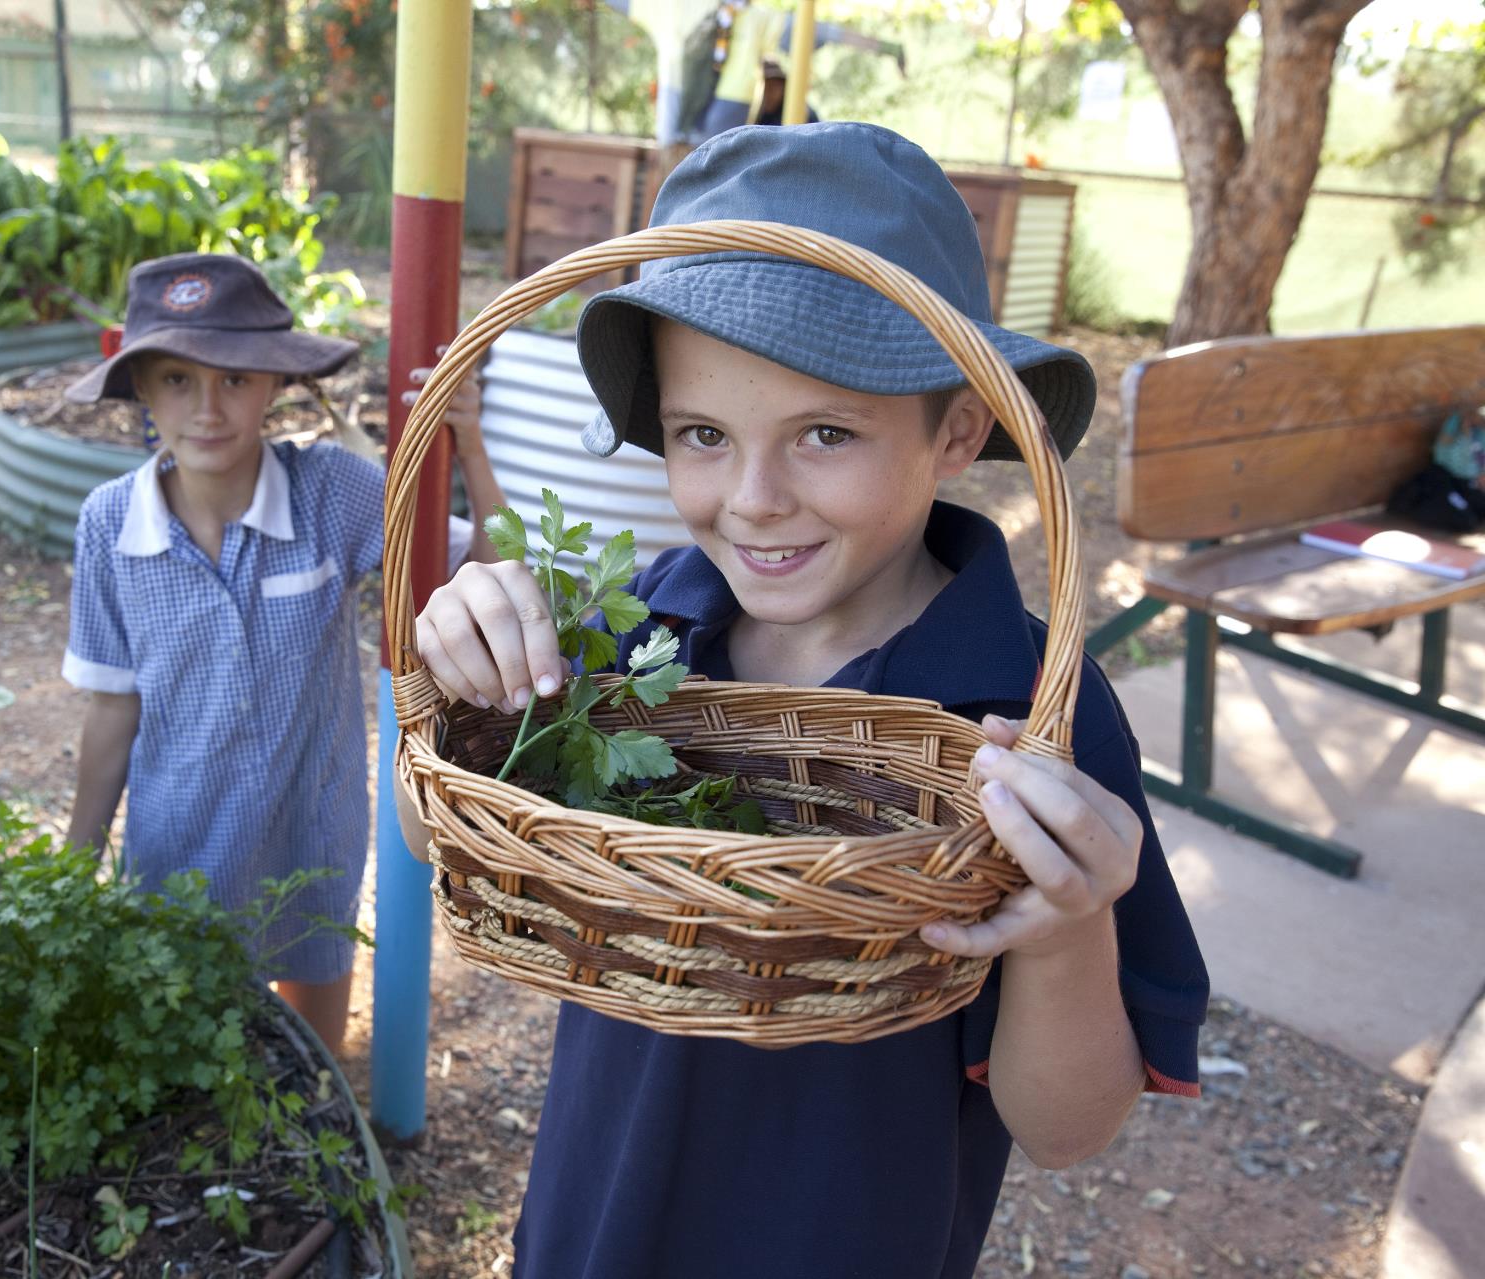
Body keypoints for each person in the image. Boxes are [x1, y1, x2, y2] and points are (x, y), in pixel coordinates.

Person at [401, 123, 1208, 1278]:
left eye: (825, 433)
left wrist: (1071, 925)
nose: (754, 500)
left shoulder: (1026, 714)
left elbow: (1068, 1129)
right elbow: (449, 849)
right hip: (595, 1222)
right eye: (703, 436)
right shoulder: (628, 641)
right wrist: (461, 682)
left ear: (959, 431)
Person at [61, 252, 504, 1052]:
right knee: (183, 1062)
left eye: (234, 378)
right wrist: (70, 869)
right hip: (176, 847)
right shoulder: (109, 526)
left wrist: (469, 447)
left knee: (310, 1072)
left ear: (274, 383)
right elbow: (112, 706)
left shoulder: (330, 489)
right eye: (176, 379)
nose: (207, 408)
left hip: (312, 833)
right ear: (143, 391)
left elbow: (488, 574)